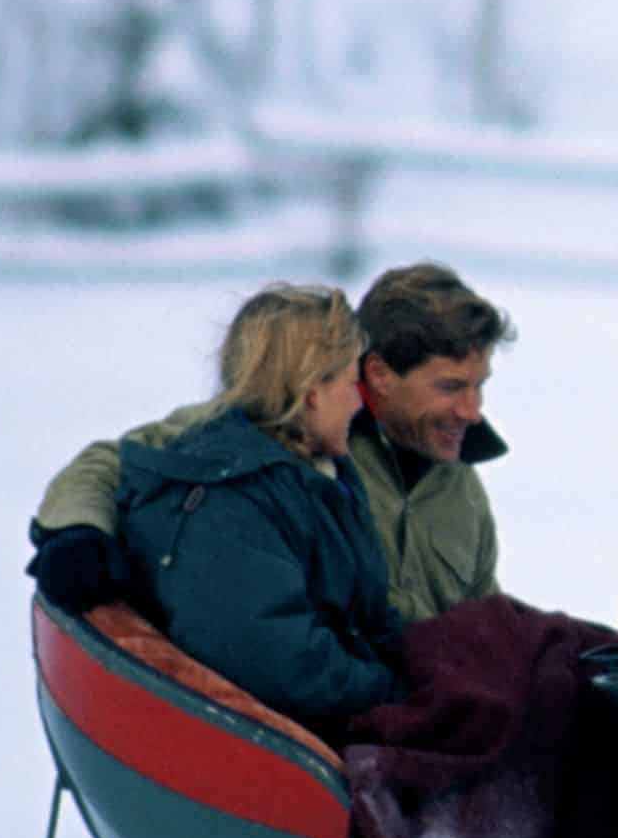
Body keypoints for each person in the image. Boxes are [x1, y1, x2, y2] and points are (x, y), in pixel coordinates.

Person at [28, 260, 512, 621]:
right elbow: (109, 462)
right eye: (450, 387)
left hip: (404, 730)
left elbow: (483, 626)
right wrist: (79, 533)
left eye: (479, 385)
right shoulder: (283, 427)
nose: (472, 411)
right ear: (381, 374)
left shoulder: (463, 492)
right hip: (302, 716)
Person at [111, 284, 412, 735]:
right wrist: (393, 693)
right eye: (352, 383)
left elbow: (364, 613)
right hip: (274, 741)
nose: (359, 401)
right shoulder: (230, 501)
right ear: (312, 390)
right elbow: (279, 660)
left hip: (334, 706)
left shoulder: (321, 473)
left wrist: (424, 665)